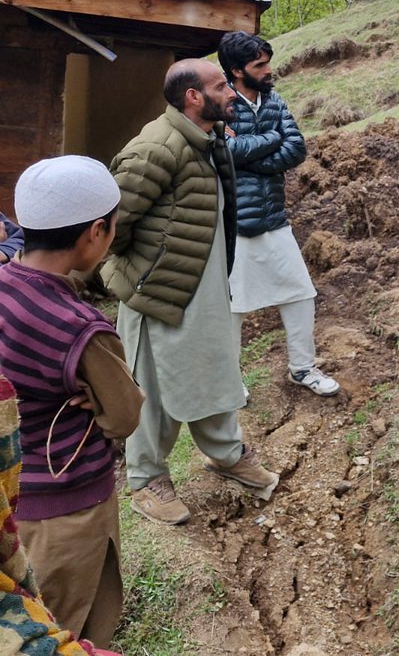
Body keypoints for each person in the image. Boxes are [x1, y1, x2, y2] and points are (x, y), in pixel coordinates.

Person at [102, 59, 279, 525]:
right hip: (158, 291)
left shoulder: (208, 139)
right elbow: (111, 225)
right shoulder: (157, 146)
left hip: (203, 285)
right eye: (221, 86)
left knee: (212, 369)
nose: (232, 93)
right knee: (152, 387)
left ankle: (225, 453)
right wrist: (145, 271)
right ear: (193, 97)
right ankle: (145, 480)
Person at [0, 156, 143, 647]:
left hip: (12, 499)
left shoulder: (4, 282)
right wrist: (97, 403)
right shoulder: (81, 328)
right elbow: (124, 414)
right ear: (96, 231)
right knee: (61, 629)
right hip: (67, 510)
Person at [218, 31, 340, 397]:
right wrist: (270, 141)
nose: (269, 69)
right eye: (260, 64)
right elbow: (225, 153)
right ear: (237, 71)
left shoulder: (274, 100)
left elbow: (297, 148)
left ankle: (302, 368)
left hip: (274, 218)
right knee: (232, 308)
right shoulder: (220, 101)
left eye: (268, 61)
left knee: (300, 293)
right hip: (233, 225)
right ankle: (227, 380)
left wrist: (246, 153)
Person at [0, 369, 121, 655]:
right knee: (78, 614)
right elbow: (125, 411)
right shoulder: (72, 327)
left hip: (29, 507)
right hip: (76, 503)